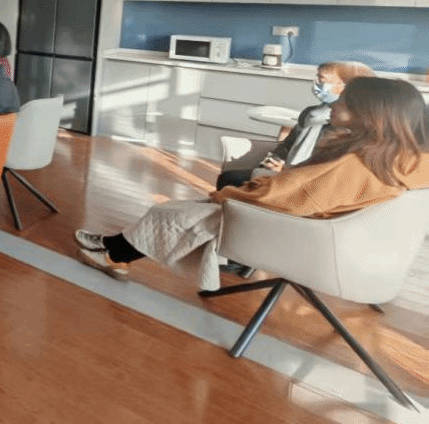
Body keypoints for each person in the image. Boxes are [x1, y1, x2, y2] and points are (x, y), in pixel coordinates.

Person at [75, 77, 429, 290]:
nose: (334, 102)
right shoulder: (407, 161)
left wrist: (228, 194)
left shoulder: (356, 163)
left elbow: (283, 198)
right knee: (193, 207)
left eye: (344, 100)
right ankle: (111, 244)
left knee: (170, 212)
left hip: (291, 235)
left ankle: (114, 255)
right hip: (342, 240)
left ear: (371, 114)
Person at [215, 61, 374, 189]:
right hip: (287, 171)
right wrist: (268, 163)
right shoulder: (310, 114)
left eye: (322, 80)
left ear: (347, 86)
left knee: (231, 181)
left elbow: (329, 170)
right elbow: (287, 144)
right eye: (317, 78)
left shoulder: (351, 128)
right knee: (228, 178)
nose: (316, 83)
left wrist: (286, 170)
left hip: (305, 181)